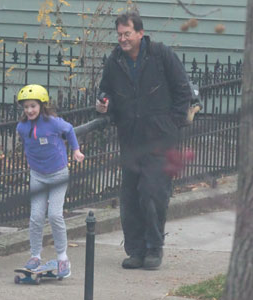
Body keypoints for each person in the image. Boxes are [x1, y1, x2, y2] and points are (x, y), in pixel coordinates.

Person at [96, 11, 191, 270]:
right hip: (131, 139)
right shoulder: (115, 61)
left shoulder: (160, 55)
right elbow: (105, 90)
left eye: (127, 34)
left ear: (140, 33)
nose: (123, 39)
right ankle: (135, 250)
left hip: (160, 139)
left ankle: (153, 248)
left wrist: (173, 122)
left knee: (152, 193)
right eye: (119, 35)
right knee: (130, 198)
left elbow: (183, 89)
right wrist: (104, 104)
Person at [16, 84, 85, 278]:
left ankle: (63, 258)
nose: (29, 110)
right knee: (36, 217)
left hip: (57, 175)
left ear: (42, 105)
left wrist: (76, 150)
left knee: (55, 215)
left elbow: (70, 130)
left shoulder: (53, 123)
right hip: (37, 175)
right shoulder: (22, 127)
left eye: (33, 106)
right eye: (26, 107)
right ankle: (35, 255)